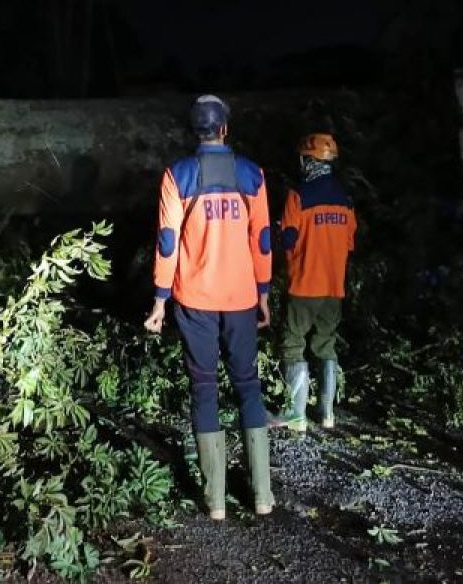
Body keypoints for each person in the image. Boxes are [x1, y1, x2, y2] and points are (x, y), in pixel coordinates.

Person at [144, 94, 275, 517]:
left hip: (194, 301)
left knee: (204, 390)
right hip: (241, 298)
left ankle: (215, 501)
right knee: (248, 387)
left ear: (195, 131)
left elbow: (167, 242)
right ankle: (262, 496)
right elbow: (263, 240)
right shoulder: (252, 174)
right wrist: (265, 293)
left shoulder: (177, 175)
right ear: (225, 129)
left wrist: (160, 301)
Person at [270, 133, 356, 432]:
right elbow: (349, 243)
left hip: (305, 285)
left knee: (294, 345)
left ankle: (296, 414)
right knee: (326, 345)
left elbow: (288, 238)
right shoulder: (346, 200)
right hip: (334, 287)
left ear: (309, 160)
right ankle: (327, 413)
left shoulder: (299, 196)